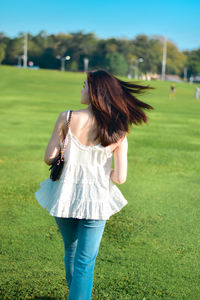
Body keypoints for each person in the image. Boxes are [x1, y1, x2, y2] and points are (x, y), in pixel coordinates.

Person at [35, 69, 154, 300]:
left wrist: (67, 152)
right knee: (85, 263)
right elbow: (120, 177)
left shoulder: (67, 117)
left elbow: (49, 158)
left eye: (84, 85)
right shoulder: (119, 130)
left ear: (95, 91)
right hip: (96, 201)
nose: (81, 89)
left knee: (71, 251)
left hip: (64, 195)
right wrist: (99, 171)